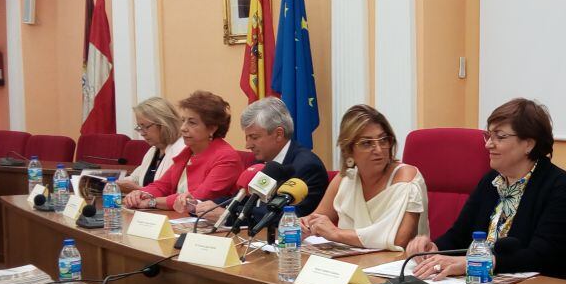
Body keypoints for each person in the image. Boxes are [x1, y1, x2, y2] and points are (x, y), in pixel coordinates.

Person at [407, 98, 566, 281]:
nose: (488, 144)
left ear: (528, 144)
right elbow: (458, 236)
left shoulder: (560, 187)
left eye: (500, 137)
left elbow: (541, 256)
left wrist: (474, 263)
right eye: (488, 136)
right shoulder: (491, 180)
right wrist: (433, 247)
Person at [299, 105, 427, 251]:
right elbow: (316, 219)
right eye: (367, 143)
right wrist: (303, 225)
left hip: (394, 268)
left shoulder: (407, 178)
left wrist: (336, 233)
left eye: (383, 140)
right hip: (349, 264)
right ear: (349, 150)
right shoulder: (345, 179)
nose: (378, 150)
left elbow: (398, 239)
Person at [195, 97, 329, 223]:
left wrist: (228, 215)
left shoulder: (306, 166)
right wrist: (200, 205)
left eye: (254, 137)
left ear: (278, 134)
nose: (248, 145)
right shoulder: (262, 162)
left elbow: (287, 217)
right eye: (247, 138)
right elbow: (240, 200)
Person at [122, 91, 243, 213]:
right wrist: (140, 194)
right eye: (183, 121)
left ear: (212, 128)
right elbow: (162, 185)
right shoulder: (188, 151)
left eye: (192, 122)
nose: (183, 128)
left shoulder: (226, 158)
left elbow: (195, 198)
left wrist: (152, 202)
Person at [117, 97, 186, 194]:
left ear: (164, 123)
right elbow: (135, 178)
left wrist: (138, 190)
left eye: (145, 127)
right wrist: (112, 183)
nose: (142, 133)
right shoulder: (153, 150)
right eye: (139, 127)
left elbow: (178, 193)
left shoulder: (182, 150)